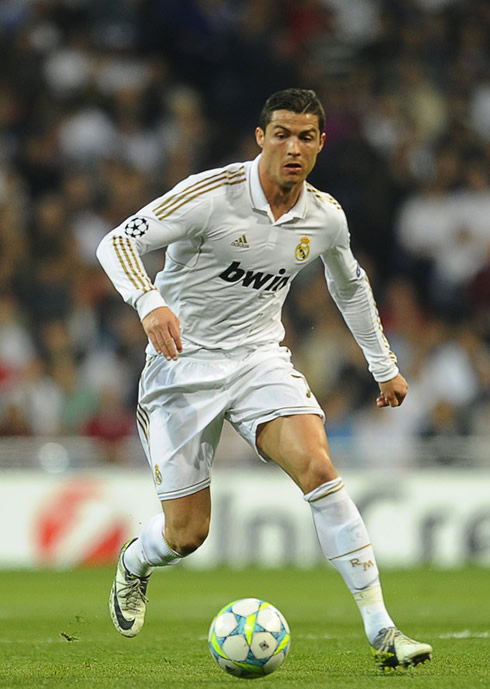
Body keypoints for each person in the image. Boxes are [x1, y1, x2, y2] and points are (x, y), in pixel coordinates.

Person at [96, 88, 432, 670]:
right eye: (281, 134)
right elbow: (118, 240)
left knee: (320, 469)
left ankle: (384, 631)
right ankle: (135, 561)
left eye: (306, 137)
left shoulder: (324, 217)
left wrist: (385, 365)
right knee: (186, 535)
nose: (293, 147)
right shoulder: (212, 195)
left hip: (259, 360)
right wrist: (149, 301)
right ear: (261, 138)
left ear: (322, 144)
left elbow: (349, 285)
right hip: (182, 369)